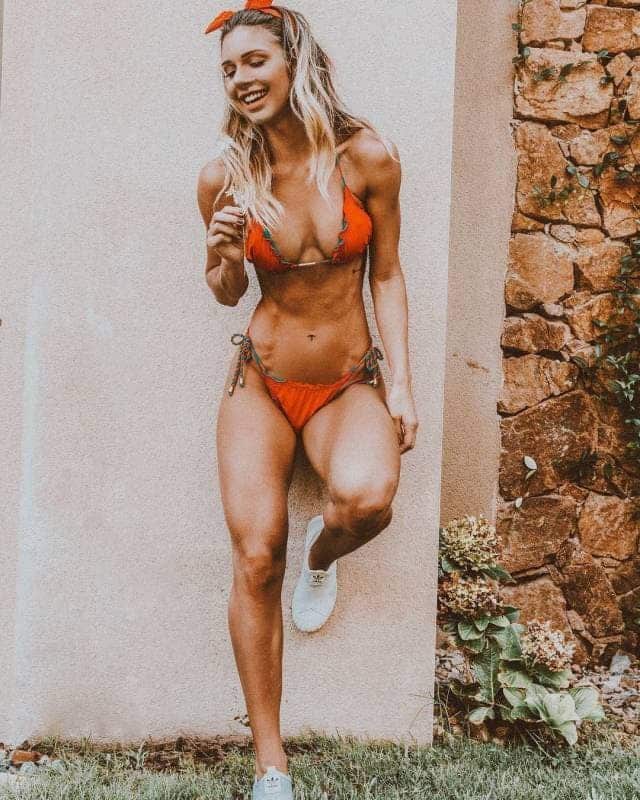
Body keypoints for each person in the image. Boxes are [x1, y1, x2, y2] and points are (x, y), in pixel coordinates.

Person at [197, 2, 418, 797]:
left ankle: (322, 558)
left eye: (254, 61)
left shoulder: (367, 157)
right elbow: (227, 290)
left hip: (346, 381)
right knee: (257, 556)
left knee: (367, 498)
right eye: (229, 69)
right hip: (260, 380)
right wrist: (223, 254)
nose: (240, 79)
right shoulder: (226, 175)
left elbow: (386, 273)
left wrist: (401, 382)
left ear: (295, 61)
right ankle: (271, 764)